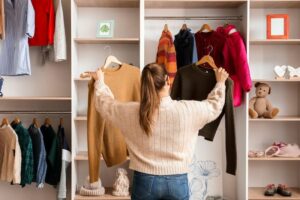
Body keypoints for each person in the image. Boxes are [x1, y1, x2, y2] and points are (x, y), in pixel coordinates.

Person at [89, 63, 229, 200]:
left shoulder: (131, 112)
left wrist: (100, 82)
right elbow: (214, 105)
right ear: (167, 80)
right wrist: (220, 83)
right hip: (178, 181)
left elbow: (105, 105)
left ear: (143, 85)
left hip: (144, 181)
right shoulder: (188, 110)